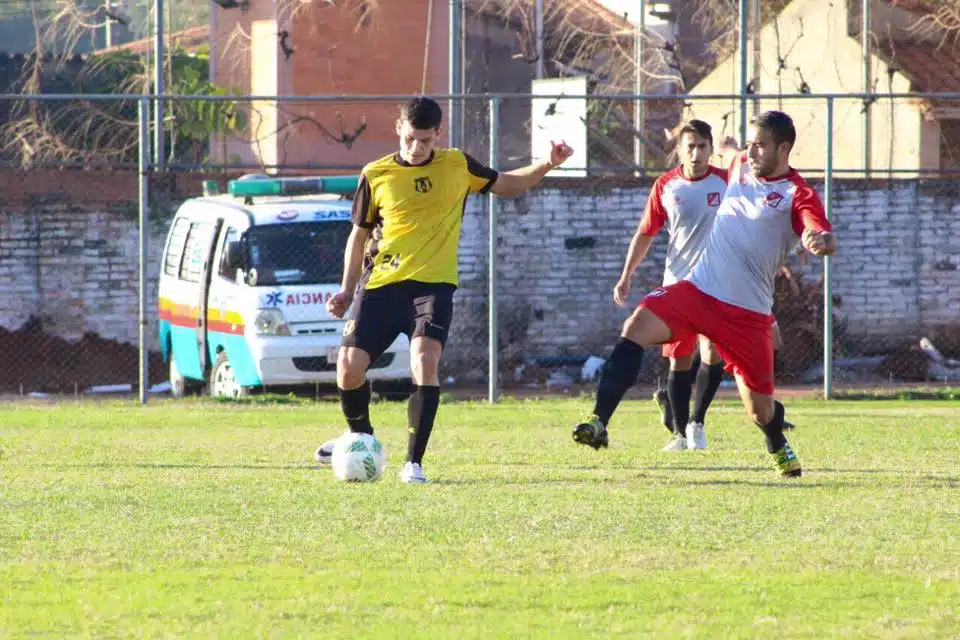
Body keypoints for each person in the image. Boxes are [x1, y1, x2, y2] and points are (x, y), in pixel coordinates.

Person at [318, 96, 574, 484]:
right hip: (382, 286)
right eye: (409, 139)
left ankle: (412, 463)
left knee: (425, 359)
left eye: (424, 140)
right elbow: (359, 236)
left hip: (432, 287)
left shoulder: (457, 165)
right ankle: (360, 438)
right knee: (349, 368)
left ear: (437, 134)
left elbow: (508, 184)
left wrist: (548, 164)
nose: (416, 148)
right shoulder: (376, 174)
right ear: (398, 130)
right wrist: (345, 290)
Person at [572, 110, 835, 477]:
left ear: (784, 148)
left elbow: (821, 233)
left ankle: (776, 441)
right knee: (636, 325)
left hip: (747, 315)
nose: (752, 152)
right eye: (750, 144)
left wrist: (818, 241)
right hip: (699, 290)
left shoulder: (797, 193)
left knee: (760, 411)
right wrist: (729, 148)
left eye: (761, 146)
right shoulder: (741, 163)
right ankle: (598, 422)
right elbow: (729, 152)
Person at [613, 120, 727, 452]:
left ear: (711, 148)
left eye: (702, 146)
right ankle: (678, 434)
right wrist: (625, 276)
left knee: (712, 353)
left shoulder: (726, 182)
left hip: (716, 285)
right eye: (689, 146)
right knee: (680, 360)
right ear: (680, 150)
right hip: (678, 286)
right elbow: (646, 233)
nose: (696, 153)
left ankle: (697, 423)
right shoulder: (666, 185)